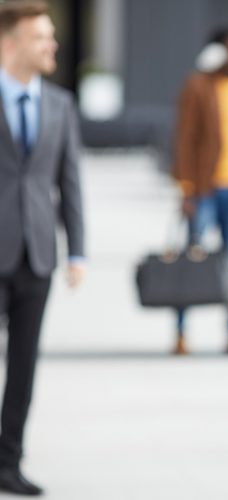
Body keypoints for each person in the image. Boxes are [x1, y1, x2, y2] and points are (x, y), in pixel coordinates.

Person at [0, 1, 84, 495]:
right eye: (40, 38)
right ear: (10, 45)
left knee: (24, 365)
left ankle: (8, 462)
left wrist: (77, 251)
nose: (51, 45)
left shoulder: (60, 105)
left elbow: (69, 182)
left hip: (37, 256)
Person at [172, 28, 228, 355]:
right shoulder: (198, 85)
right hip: (203, 187)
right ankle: (180, 333)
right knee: (191, 257)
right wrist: (186, 188)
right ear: (219, 52)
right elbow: (184, 137)